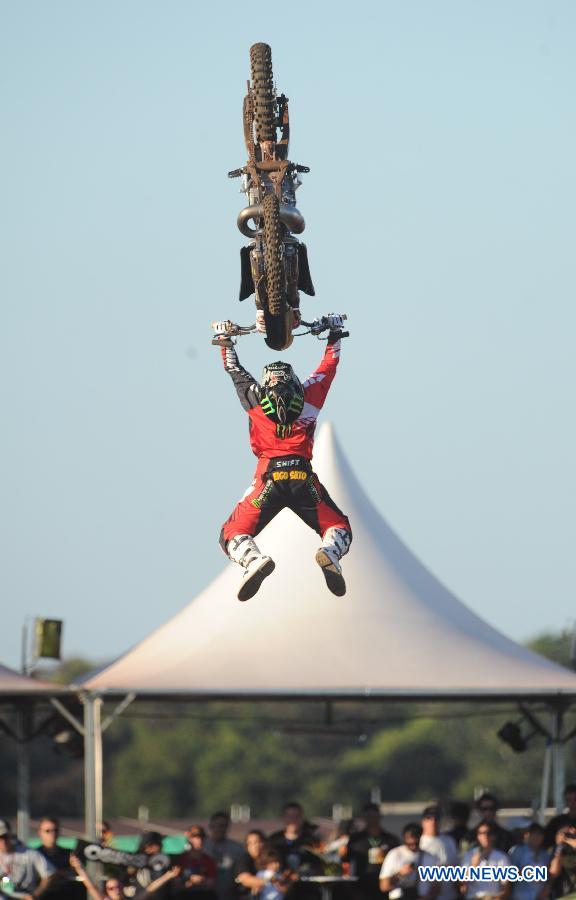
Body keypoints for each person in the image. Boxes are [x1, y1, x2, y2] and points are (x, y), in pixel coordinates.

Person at [217, 321, 352, 601]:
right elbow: (329, 367)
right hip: (303, 478)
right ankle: (329, 552)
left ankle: (253, 560)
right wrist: (335, 335)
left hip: (268, 479)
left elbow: (234, 369)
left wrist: (224, 338)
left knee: (231, 532)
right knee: (338, 526)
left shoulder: (254, 397)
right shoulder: (310, 396)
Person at [344, 803, 399, 900]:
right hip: (360, 887)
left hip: (383, 886)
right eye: (368, 816)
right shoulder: (356, 840)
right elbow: (347, 863)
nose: (371, 819)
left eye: (374, 815)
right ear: (364, 817)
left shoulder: (391, 840)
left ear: (379, 817)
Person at [378, 823, 439, 899]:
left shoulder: (430, 857)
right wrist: (400, 874)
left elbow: (436, 887)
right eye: (409, 844)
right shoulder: (395, 854)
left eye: (416, 843)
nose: (413, 846)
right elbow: (384, 886)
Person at [0, 817, 54, 899]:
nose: (3, 841)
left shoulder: (29, 853)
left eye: (5, 837)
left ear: (11, 835)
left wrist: (35, 895)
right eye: (0, 838)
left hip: (26, 894)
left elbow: (49, 875)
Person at [460, 822, 510, 900]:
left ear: (494, 836)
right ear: (478, 836)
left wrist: (499, 897)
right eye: (481, 833)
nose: (485, 836)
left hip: (493, 897)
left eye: (488, 833)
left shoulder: (501, 857)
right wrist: (473, 865)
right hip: (474, 897)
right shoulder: (469, 855)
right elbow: (462, 883)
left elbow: (506, 886)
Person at [419, 807, 458, 900]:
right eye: (429, 818)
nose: (433, 821)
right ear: (423, 821)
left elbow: (456, 866)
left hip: (449, 896)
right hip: (426, 896)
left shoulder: (450, 841)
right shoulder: (418, 843)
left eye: (436, 818)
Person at [203, 812, 244, 900]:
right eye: (215, 826)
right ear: (210, 826)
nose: (219, 829)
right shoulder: (202, 847)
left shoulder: (237, 849)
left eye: (222, 826)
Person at [509, 823, 551, 900]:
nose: (536, 837)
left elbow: (549, 875)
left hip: (539, 896)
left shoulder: (545, 854)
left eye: (539, 834)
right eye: (533, 834)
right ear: (527, 835)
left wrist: (546, 889)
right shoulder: (517, 851)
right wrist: (526, 873)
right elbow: (508, 873)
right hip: (520, 896)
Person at [176, 825, 217, 898]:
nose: (199, 840)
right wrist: (188, 881)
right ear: (189, 838)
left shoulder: (208, 860)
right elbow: (175, 883)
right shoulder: (181, 859)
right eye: (195, 837)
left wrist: (202, 880)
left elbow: (212, 883)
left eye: (202, 837)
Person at [548, 824, 576, 897]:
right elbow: (553, 871)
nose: (566, 837)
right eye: (564, 834)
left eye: (569, 834)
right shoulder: (553, 850)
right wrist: (560, 848)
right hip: (562, 892)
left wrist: (571, 841)